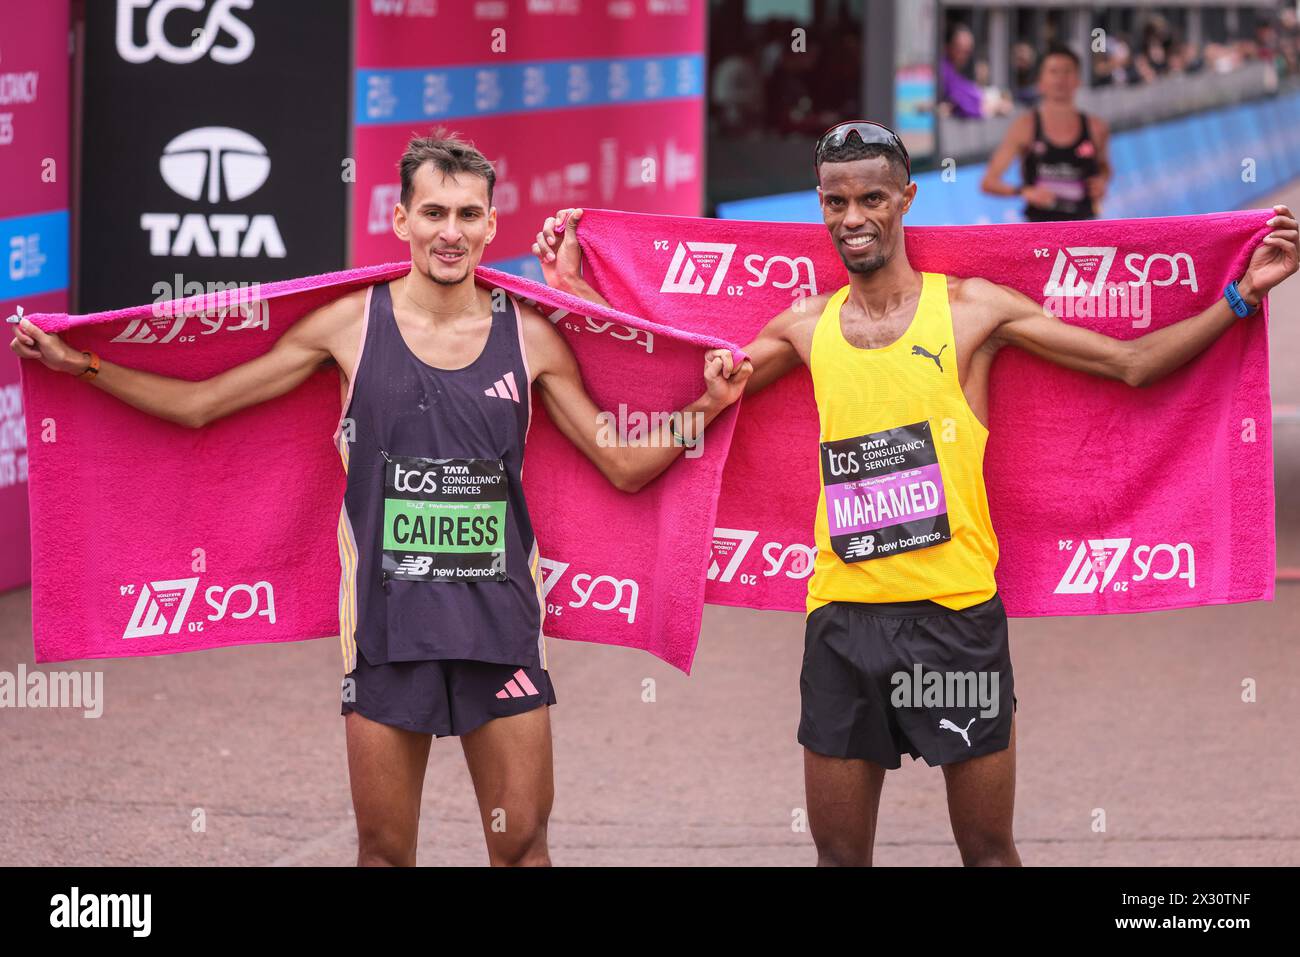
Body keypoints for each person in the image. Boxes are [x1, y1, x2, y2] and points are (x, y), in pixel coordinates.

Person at [535, 122, 1297, 866]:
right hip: (842, 624)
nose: (853, 218)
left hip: (955, 621)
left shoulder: (972, 311)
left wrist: (1239, 297)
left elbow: (1130, 363)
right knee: (837, 853)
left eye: (871, 198)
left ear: (904, 200)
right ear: (821, 206)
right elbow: (688, 375)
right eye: (836, 202)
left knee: (988, 851)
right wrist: (573, 289)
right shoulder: (805, 325)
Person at [9, 130, 750, 867]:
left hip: (503, 630)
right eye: (433, 213)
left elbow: (621, 461)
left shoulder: (529, 338)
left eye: (467, 215)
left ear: (493, 225)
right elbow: (204, 404)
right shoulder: (350, 327)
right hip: (388, 633)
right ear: (401, 221)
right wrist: (86, 366)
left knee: (523, 845)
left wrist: (710, 407)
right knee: (386, 853)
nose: (450, 232)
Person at [982, 43, 1111, 222]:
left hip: (1084, 230)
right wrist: (1024, 191)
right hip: (1039, 232)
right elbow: (988, 182)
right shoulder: (1025, 126)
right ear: (1040, 83)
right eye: (1053, 71)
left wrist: (1102, 182)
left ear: (1078, 80)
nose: (1060, 79)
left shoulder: (1097, 128)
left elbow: (1105, 168)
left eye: (1067, 71)